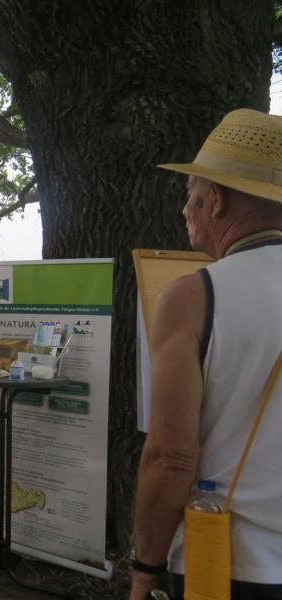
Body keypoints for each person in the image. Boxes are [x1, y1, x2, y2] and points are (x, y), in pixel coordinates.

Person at [130, 108, 282, 600]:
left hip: (231, 566)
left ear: (215, 199)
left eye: (189, 194)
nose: (185, 210)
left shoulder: (194, 296)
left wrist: (145, 569)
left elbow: (171, 458)